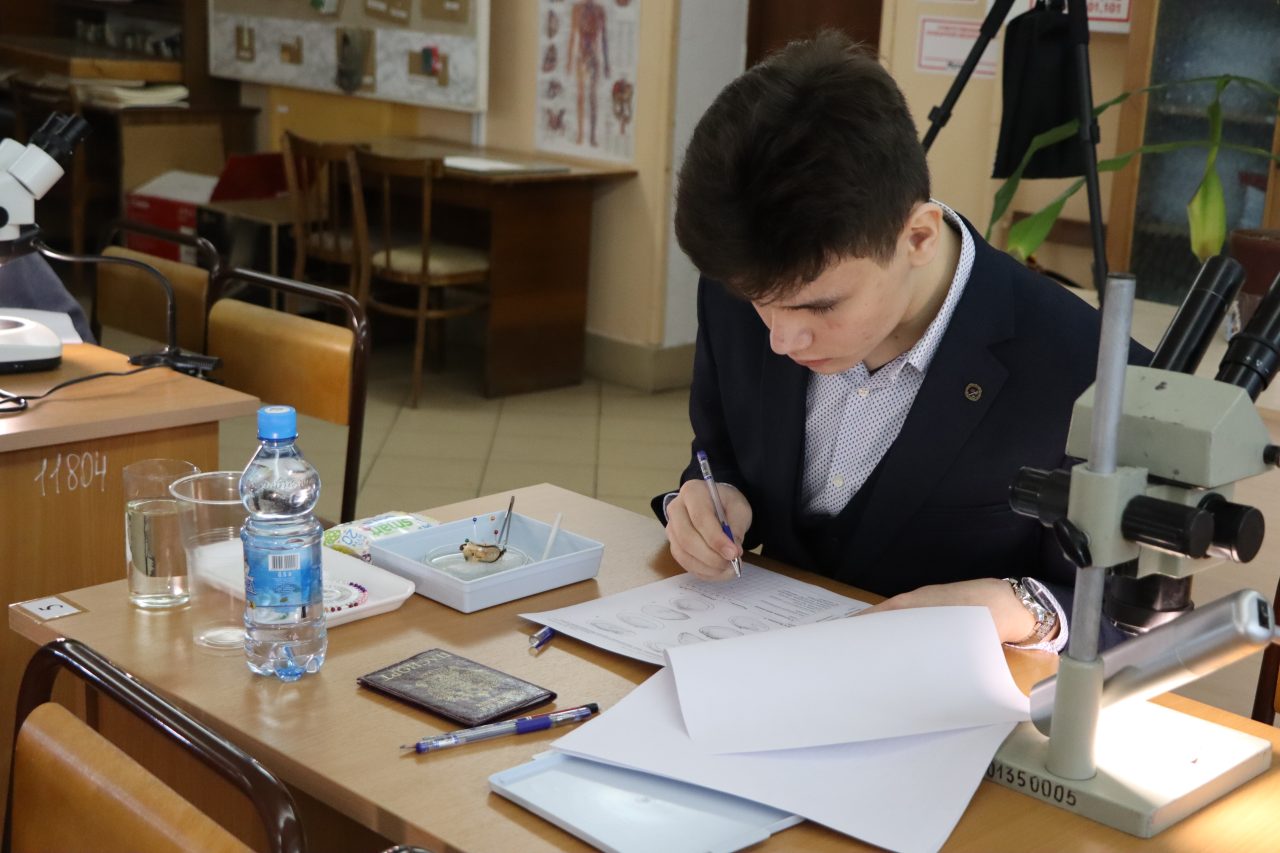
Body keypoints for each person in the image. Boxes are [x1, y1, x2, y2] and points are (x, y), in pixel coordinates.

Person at [653, 31, 1143, 651]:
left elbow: (1128, 618)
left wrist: (1021, 610)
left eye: (820, 305)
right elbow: (720, 450)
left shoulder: (1090, 371)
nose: (781, 338)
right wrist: (712, 496)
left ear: (918, 237)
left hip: (959, 689)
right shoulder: (746, 283)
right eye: (758, 304)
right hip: (763, 659)